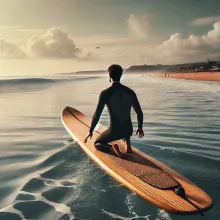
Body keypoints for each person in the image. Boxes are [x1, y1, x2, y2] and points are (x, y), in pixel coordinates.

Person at [84, 64, 144, 158]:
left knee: (97, 143)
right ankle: (128, 145)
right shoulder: (130, 92)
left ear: (109, 76)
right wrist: (140, 127)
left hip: (114, 131)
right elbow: (139, 112)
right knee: (125, 126)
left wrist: (91, 130)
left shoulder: (105, 93)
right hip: (129, 130)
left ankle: (112, 148)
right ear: (121, 76)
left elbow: (97, 114)